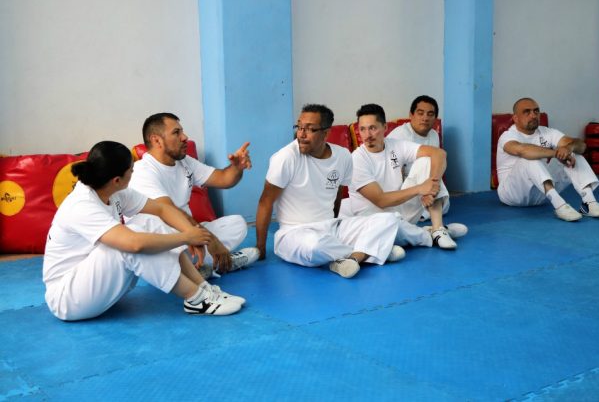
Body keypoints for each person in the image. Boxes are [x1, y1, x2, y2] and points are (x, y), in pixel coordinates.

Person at [43, 141, 244, 321]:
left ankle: (204, 289)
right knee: (130, 243)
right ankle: (196, 299)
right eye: (131, 170)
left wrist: (192, 234)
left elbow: (161, 209)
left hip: (95, 283)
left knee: (148, 220)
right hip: (68, 298)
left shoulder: (112, 191)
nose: (134, 173)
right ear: (117, 180)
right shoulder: (82, 204)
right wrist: (185, 237)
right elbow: (134, 244)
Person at [255, 104, 405, 279]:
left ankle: (356, 257)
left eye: (310, 129)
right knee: (314, 246)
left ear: (326, 133)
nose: (301, 134)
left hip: (331, 228)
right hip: (295, 233)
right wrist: (260, 248)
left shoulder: (343, 156)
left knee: (389, 219)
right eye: (299, 127)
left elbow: (338, 194)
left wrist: (334, 224)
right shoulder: (285, 157)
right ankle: (372, 252)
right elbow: (265, 202)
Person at [128, 113, 259, 278]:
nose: (185, 137)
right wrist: (210, 240)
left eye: (182, 131)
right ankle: (213, 264)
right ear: (157, 140)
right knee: (163, 230)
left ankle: (206, 267)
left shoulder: (184, 162)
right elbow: (168, 211)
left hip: (188, 235)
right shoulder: (143, 171)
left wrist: (237, 168)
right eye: (176, 133)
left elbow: (224, 179)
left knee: (237, 224)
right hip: (163, 241)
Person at [342, 104, 467, 250]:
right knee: (391, 227)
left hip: (399, 211)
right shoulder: (356, 159)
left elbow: (439, 154)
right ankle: (430, 234)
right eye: (362, 129)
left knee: (425, 161)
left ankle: (438, 228)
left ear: (385, 127)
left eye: (373, 128)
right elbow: (381, 201)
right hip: (376, 221)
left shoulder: (395, 145)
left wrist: (431, 186)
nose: (367, 135)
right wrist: (420, 188)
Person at [496, 97, 599, 221]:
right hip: (512, 194)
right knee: (528, 159)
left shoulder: (547, 132)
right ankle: (560, 205)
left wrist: (569, 148)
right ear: (515, 118)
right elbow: (523, 151)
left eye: (536, 111)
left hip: (540, 195)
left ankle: (589, 203)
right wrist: (556, 153)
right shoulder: (507, 136)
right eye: (527, 112)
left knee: (573, 154)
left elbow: (581, 146)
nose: (533, 115)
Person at [388, 95, 441, 177]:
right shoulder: (398, 136)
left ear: (435, 118)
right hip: (404, 181)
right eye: (420, 113)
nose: (425, 118)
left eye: (430, 114)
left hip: (427, 179)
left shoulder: (434, 135)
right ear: (411, 115)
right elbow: (393, 172)